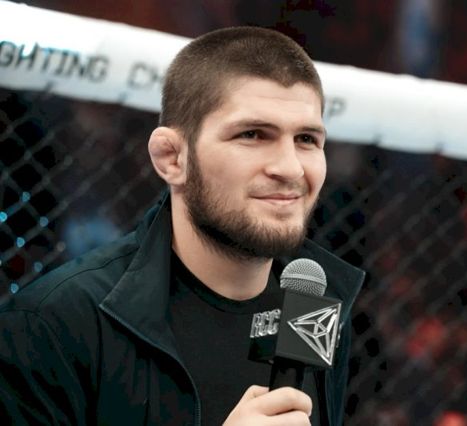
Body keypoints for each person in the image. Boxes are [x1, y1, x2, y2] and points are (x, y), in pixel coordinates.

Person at [0, 27, 365, 425]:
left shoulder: (314, 303)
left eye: (307, 139)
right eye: (252, 134)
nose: (290, 168)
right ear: (172, 158)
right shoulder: (51, 323)